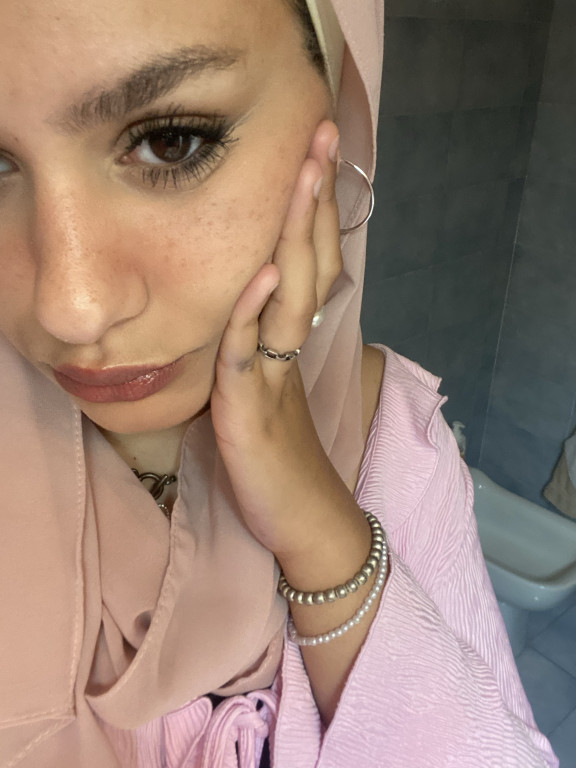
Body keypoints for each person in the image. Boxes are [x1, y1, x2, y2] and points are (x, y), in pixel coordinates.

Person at [0, 0, 559, 766]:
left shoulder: (396, 441)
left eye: (171, 141)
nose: (70, 307)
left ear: (337, 121)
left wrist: (314, 520)